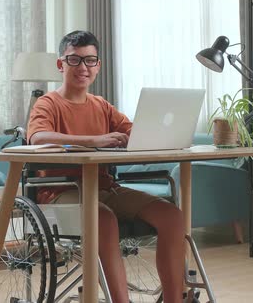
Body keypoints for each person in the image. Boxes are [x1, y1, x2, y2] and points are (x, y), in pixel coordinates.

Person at [27, 30, 185, 303]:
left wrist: (157, 135)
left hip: (104, 188)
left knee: (172, 217)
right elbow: (37, 137)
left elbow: (136, 131)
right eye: (74, 60)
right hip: (60, 192)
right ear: (60, 64)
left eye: (90, 61)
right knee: (104, 219)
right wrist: (95, 140)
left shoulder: (101, 105)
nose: (83, 68)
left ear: (98, 65)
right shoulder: (48, 103)